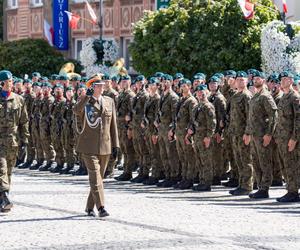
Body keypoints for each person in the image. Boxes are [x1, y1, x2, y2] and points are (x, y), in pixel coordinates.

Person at [73, 75, 119, 217]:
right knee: (95, 176)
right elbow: (76, 111)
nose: (102, 87)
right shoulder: (85, 101)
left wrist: (116, 145)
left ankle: (89, 207)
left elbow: (113, 125)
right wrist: (86, 97)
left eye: (102, 85)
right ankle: (101, 208)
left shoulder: (109, 101)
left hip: (105, 145)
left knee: (99, 178)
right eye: (98, 85)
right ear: (92, 87)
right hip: (88, 146)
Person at [0, 70, 29, 212]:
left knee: (9, 172)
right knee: (2, 169)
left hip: (13, 141)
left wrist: (25, 141)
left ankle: (3, 200)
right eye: (7, 81)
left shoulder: (19, 99)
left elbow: (24, 122)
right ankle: (4, 196)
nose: (10, 84)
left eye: (11, 81)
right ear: (1, 83)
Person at [247, 70, 278, 199]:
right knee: (257, 162)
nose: (255, 80)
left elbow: (274, 115)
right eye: (254, 79)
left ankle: (265, 188)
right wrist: (248, 132)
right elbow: (251, 117)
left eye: (258, 78)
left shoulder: (266, 96)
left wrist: (269, 134)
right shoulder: (255, 96)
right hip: (254, 135)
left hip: (262, 134)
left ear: (263, 80)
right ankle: (260, 186)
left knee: (265, 162)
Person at [274, 71, 300, 202]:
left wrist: (294, 138)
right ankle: (290, 189)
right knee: (286, 165)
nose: (282, 81)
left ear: (291, 81)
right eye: (281, 79)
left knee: (292, 165)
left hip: (290, 138)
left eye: (285, 79)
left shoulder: (294, 97)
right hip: (282, 137)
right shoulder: (284, 96)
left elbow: (298, 119)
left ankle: (293, 192)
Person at [228, 71, 253, 196]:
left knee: (246, 160)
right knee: (238, 160)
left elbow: (250, 116)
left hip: (243, 133)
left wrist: (248, 133)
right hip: (235, 133)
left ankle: (247, 186)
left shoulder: (247, 96)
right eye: (238, 80)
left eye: (243, 80)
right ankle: (241, 184)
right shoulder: (235, 96)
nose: (240, 82)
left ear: (247, 81)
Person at [187, 84, 216, 191]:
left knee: (206, 160)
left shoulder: (208, 106)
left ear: (206, 93)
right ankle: (202, 181)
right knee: (199, 160)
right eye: (198, 92)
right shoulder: (197, 106)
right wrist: (189, 132)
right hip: (197, 137)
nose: (200, 94)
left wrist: (208, 136)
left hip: (204, 137)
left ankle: (207, 183)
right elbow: (193, 121)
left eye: (202, 92)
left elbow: (212, 123)